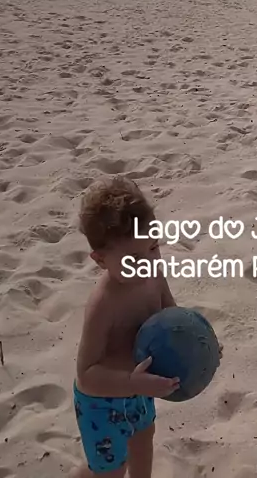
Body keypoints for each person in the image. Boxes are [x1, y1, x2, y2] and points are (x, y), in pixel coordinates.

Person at [72, 177, 181, 477]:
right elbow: (87, 374)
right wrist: (132, 383)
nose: (147, 262)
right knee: (110, 472)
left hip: (139, 392)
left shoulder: (153, 272)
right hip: (102, 405)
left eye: (153, 247)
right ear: (100, 260)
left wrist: (199, 341)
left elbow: (171, 315)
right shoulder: (103, 304)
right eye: (133, 259)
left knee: (143, 446)